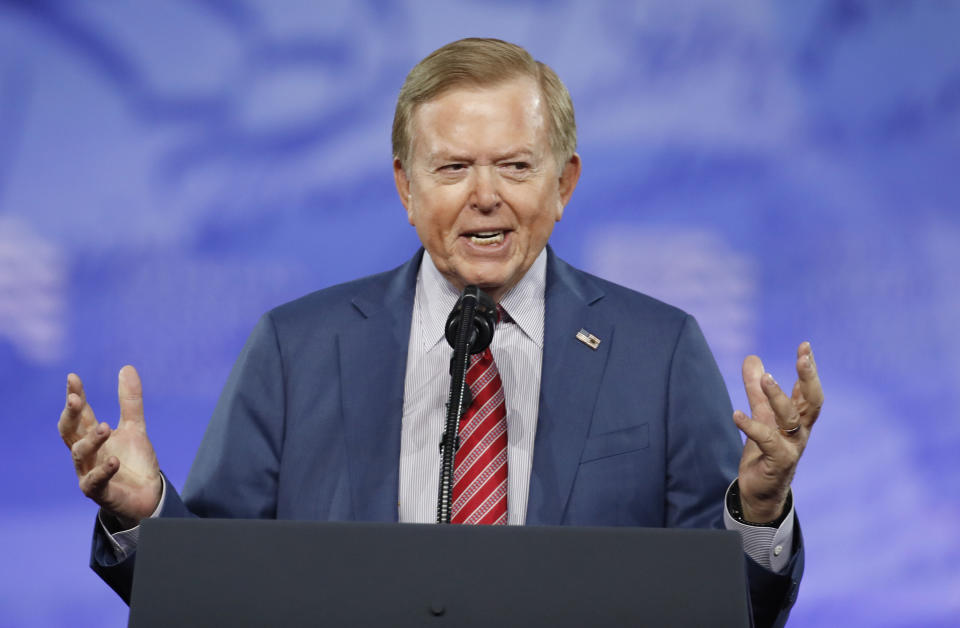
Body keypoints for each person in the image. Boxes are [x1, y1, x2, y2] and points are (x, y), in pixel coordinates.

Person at [59, 38, 822, 628]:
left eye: (516, 167)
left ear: (564, 186)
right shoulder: (296, 349)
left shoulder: (659, 352)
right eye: (453, 167)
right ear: (406, 187)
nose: (484, 196)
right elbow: (213, 592)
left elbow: (731, 609)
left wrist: (756, 511)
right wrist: (145, 511)